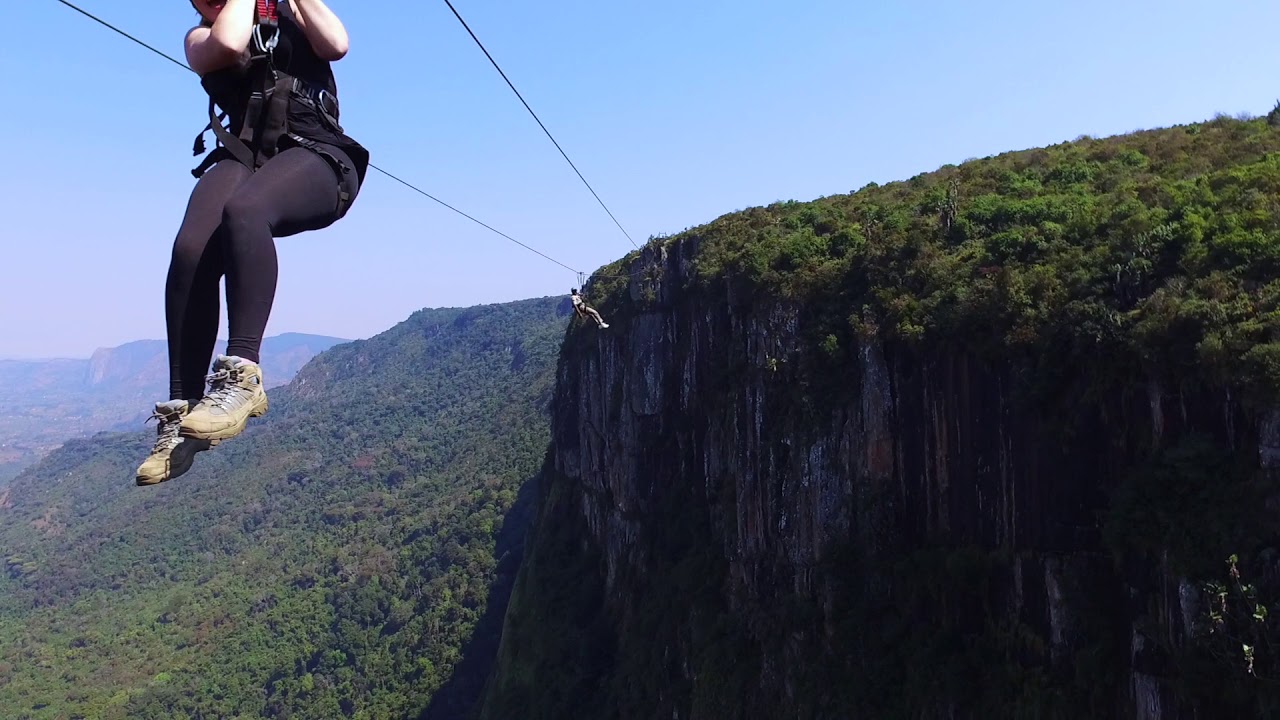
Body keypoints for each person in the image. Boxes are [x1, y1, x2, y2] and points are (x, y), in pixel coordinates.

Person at [137, 0, 369, 486]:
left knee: (245, 211)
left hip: (317, 155)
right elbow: (229, 42)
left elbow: (338, 44)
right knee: (191, 249)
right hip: (244, 154)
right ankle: (181, 413)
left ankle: (242, 374)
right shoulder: (199, 38)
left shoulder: (296, 15)